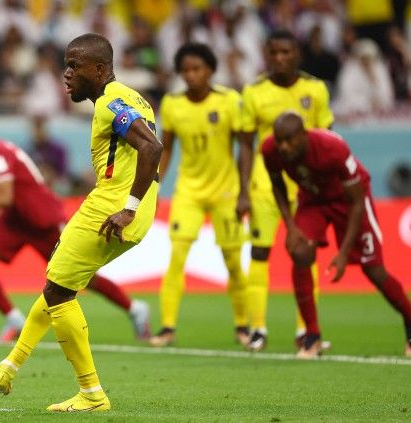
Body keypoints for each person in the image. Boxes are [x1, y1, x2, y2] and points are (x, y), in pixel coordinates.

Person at [0, 33, 162, 412]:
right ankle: (11, 364)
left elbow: (152, 147)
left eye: (74, 65)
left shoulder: (111, 103)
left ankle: (92, 393)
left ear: (99, 69)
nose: (65, 74)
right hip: (134, 204)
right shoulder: (134, 98)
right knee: (59, 284)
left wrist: (127, 206)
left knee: (58, 290)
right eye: (65, 64)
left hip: (113, 207)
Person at [0, 109, 151, 343]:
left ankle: (135, 309)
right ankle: (14, 320)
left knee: (83, 278)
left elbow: (4, 195)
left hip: (42, 219)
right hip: (15, 219)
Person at [263, 112, 411, 359]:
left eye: (289, 140)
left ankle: (409, 320)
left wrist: (342, 254)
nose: (283, 146)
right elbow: (277, 184)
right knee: (300, 252)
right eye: (279, 140)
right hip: (312, 200)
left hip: (349, 201)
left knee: (373, 269)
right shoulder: (270, 150)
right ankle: (311, 336)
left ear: (304, 135)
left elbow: (355, 202)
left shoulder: (332, 148)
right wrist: (290, 226)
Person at [239, 29, 334, 352]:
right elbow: (246, 147)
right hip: (265, 187)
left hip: (306, 188)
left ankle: (306, 331)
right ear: (267, 55)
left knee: (305, 255)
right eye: (274, 52)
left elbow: (326, 140)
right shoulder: (254, 92)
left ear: (297, 54)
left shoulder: (315, 89)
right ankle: (258, 329)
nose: (280, 58)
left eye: (286, 52)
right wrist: (243, 191)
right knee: (260, 253)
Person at [149, 43, 248, 348]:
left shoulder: (230, 100)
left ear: (210, 70)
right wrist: (154, 185)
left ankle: (243, 327)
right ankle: (167, 328)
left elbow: (245, 146)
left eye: (197, 69)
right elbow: (165, 150)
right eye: (186, 70)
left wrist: (245, 192)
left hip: (226, 192)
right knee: (177, 258)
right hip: (188, 192)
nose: (191, 75)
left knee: (232, 261)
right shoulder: (172, 103)